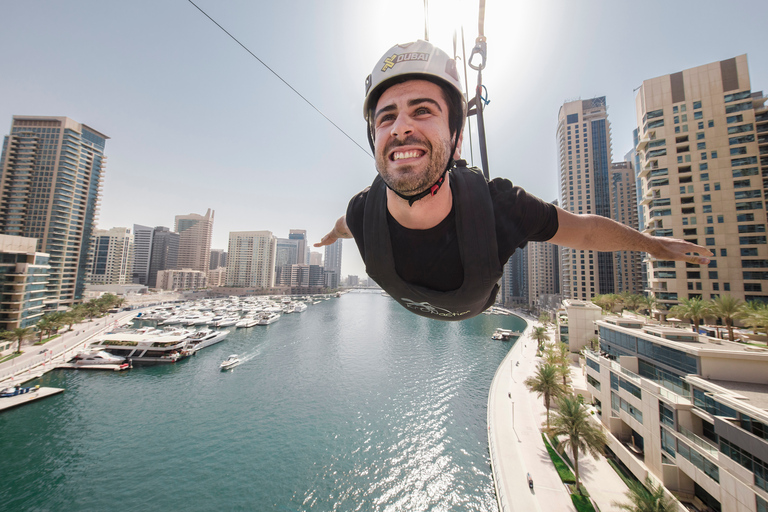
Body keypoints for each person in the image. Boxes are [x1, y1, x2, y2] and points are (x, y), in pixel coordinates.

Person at [315, 40, 712, 321]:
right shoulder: (361, 210)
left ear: (456, 139)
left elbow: (586, 232)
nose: (401, 127)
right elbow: (343, 226)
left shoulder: (500, 208)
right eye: (386, 117)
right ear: (375, 138)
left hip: (478, 296)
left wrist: (650, 244)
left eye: (422, 110)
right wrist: (332, 236)